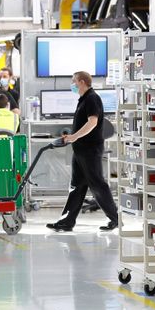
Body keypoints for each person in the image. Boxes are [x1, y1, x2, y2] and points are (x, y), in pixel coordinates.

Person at [47, 71, 118, 232]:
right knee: (77, 186)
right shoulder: (84, 99)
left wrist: (74, 136)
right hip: (81, 150)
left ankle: (115, 218)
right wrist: (73, 138)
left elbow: (92, 122)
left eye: (74, 81)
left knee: (97, 184)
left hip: (90, 150)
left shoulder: (92, 98)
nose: (72, 84)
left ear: (81, 81)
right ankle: (66, 221)